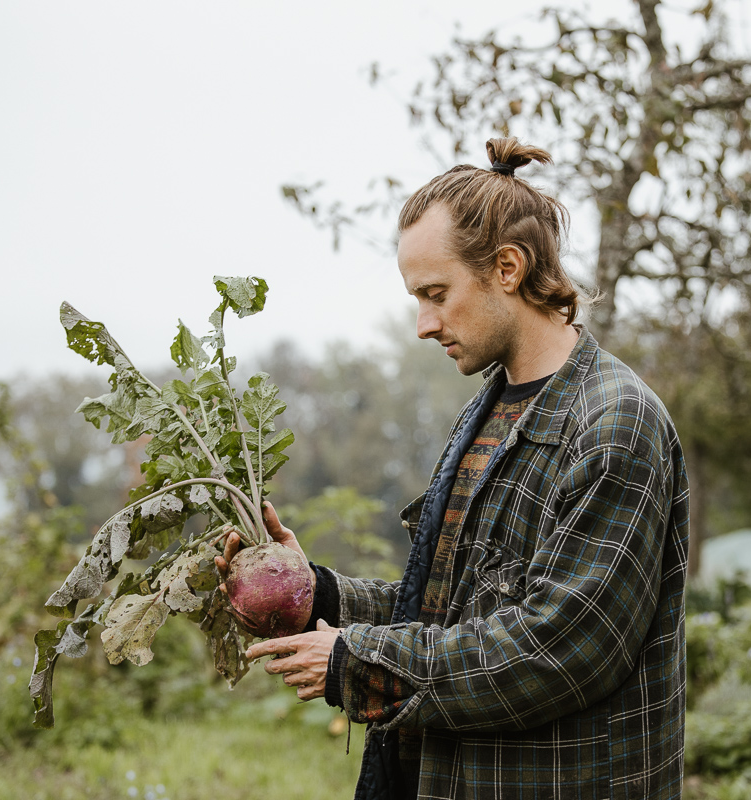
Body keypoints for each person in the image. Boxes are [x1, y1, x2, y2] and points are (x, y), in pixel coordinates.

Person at [218, 138, 690, 800]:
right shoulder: (487, 412)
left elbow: (560, 650)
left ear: (506, 267)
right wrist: (317, 596)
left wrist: (357, 661)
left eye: (436, 293)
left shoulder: (614, 423)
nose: (422, 323)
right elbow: (449, 612)